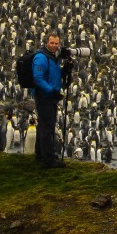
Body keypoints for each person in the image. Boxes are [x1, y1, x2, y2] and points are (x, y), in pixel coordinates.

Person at [32, 33, 73, 168]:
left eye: (56, 43)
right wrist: (51, 91)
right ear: (47, 43)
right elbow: (38, 78)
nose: (55, 46)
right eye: (52, 43)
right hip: (44, 96)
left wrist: (66, 69)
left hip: (51, 96)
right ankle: (48, 159)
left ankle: (41, 154)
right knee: (47, 127)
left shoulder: (52, 58)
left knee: (44, 126)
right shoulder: (41, 57)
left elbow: (54, 75)